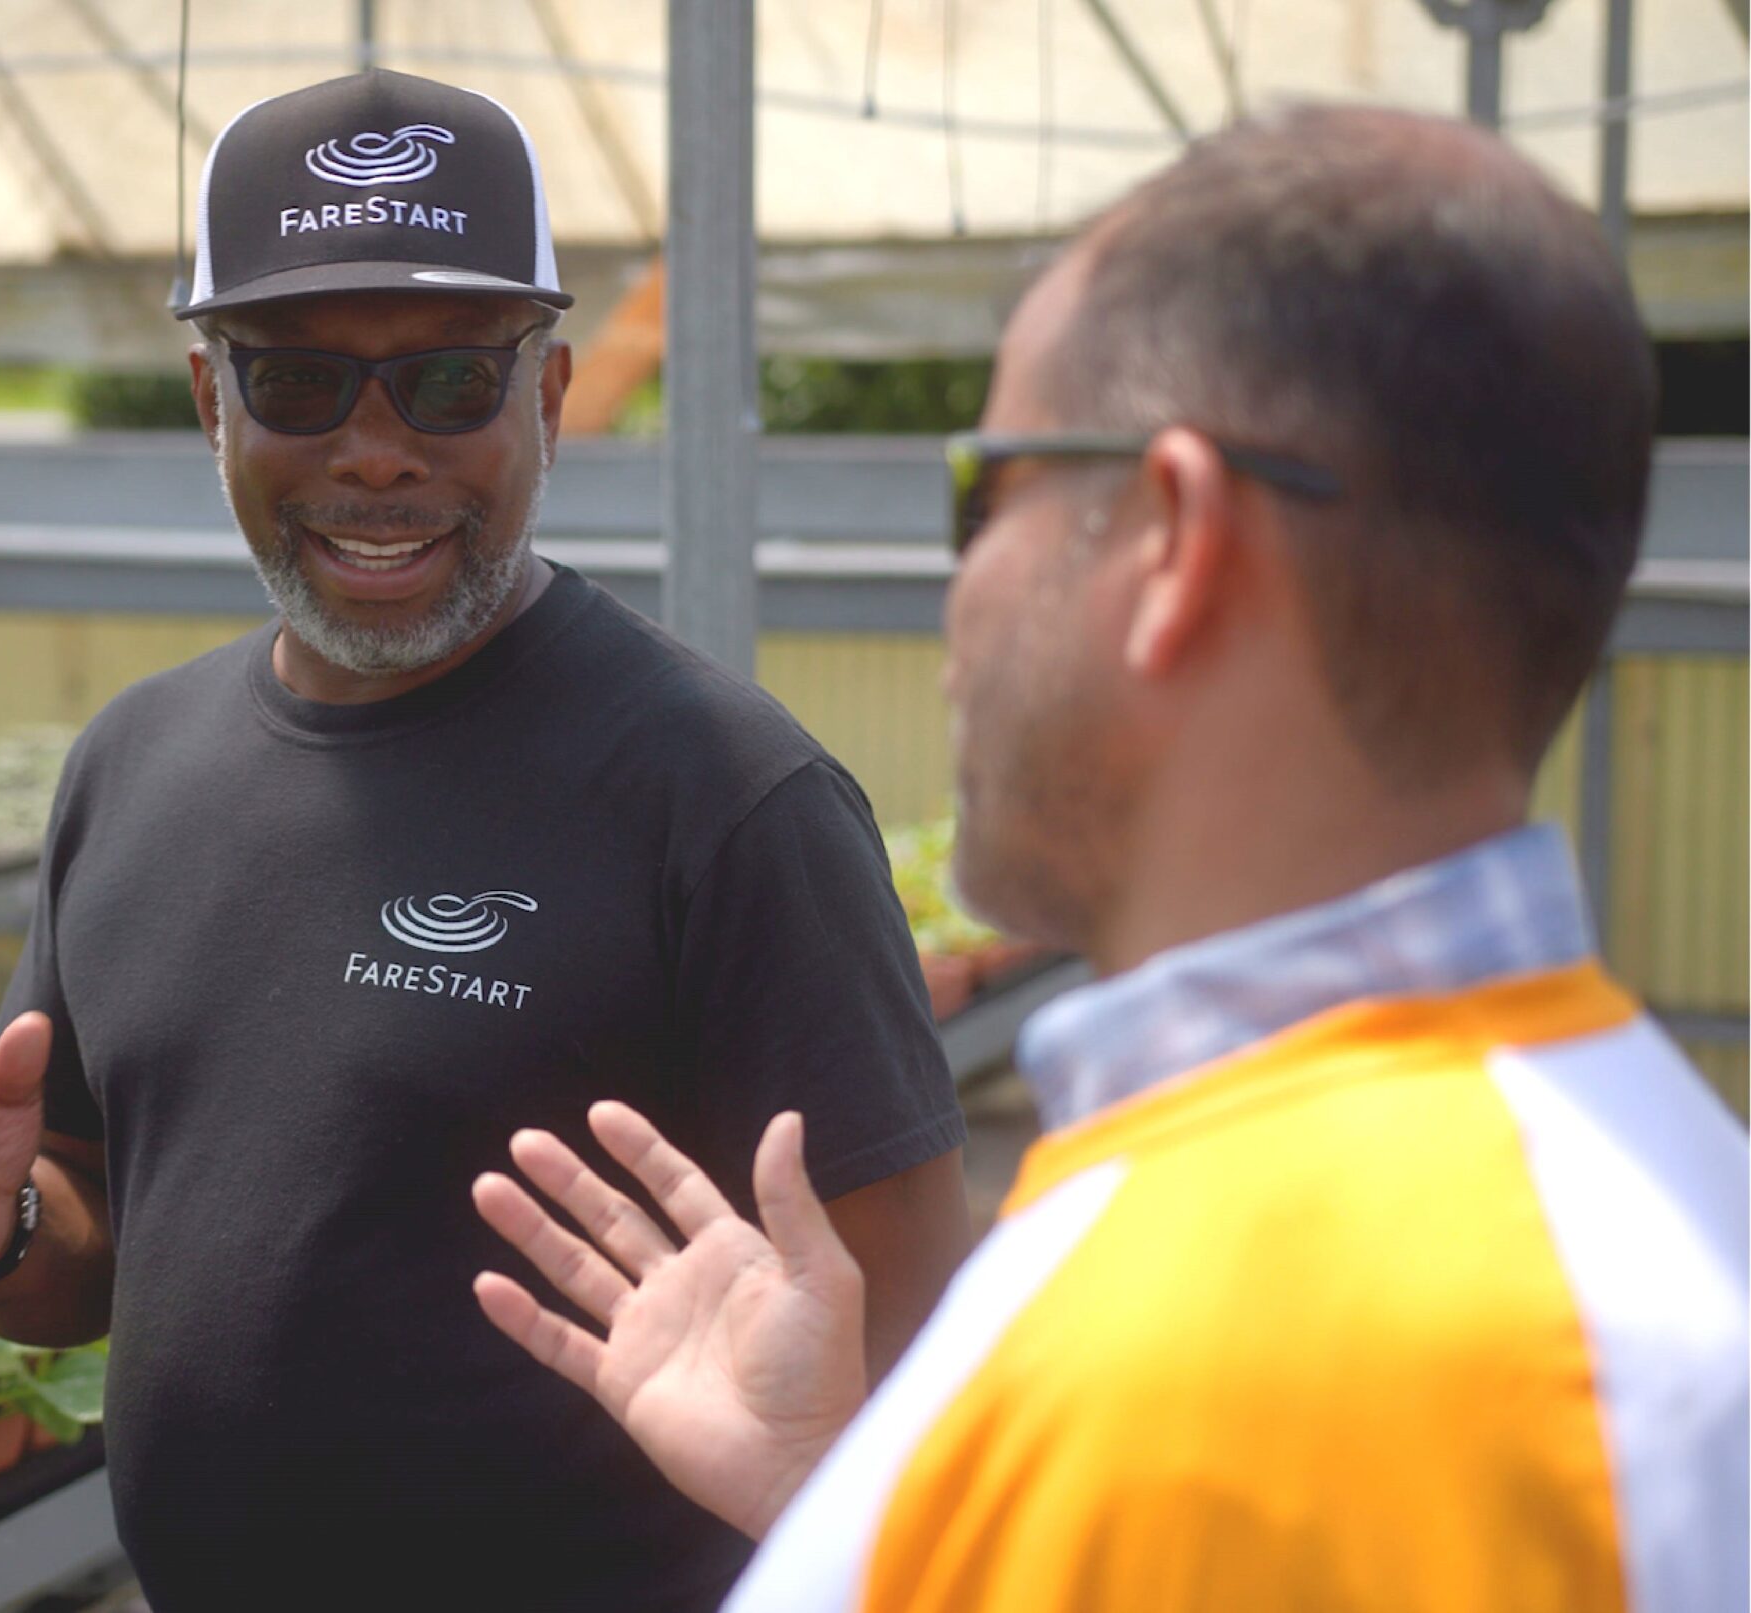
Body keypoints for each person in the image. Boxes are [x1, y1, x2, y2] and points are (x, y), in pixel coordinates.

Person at [472, 103, 1750, 1611]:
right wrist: (857, 1489)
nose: (955, 596)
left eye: (988, 493)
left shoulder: (1237, 1351)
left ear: (1171, 540)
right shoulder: (1629, 1227)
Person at [0, 69, 973, 1612]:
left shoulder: (723, 796)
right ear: (208, 402)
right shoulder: (132, 764)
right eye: (298, 382)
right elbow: (92, 1238)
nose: (376, 453)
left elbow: (903, 1370)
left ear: (553, 398)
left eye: (449, 383)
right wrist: (6, 1227)